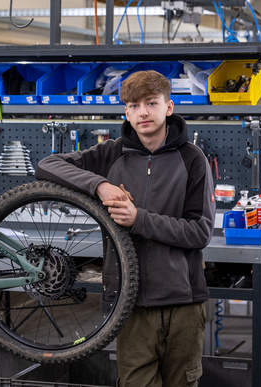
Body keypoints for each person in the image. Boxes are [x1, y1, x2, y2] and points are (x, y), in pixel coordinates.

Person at [35, 70, 216, 386]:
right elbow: (46, 166)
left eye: (151, 103)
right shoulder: (110, 153)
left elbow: (199, 232)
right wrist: (99, 185)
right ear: (126, 112)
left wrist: (139, 219)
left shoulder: (192, 159)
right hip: (130, 304)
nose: (142, 112)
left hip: (183, 305)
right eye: (133, 106)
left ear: (168, 107)